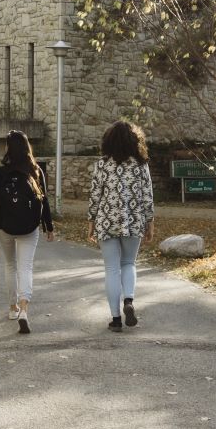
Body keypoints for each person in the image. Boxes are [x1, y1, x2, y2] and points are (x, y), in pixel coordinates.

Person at [0, 130, 55, 334]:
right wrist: (48, 227)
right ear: (27, 148)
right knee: (26, 267)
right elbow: (45, 201)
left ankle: (12, 307)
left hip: (5, 226)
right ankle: (24, 309)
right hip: (29, 227)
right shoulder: (36, 171)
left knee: (10, 265)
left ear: (8, 148)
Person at [87, 121, 155, 332]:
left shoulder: (102, 164)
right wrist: (150, 222)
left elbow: (95, 196)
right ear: (135, 141)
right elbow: (147, 197)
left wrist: (91, 222)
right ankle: (129, 300)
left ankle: (116, 319)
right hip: (134, 220)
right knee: (129, 263)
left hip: (106, 221)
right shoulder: (141, 165)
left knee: (111, 269)